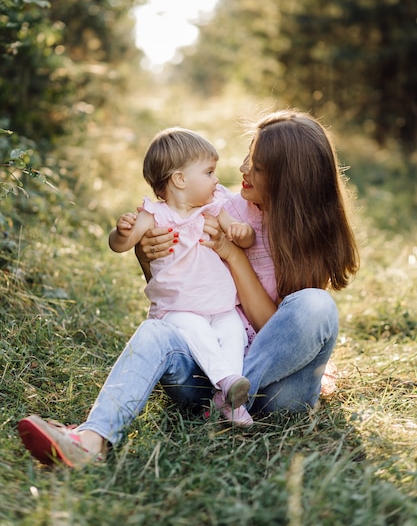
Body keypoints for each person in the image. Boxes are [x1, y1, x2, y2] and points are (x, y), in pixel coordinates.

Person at [18, 109, 359, 469]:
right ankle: (90, 440)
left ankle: (231, 396)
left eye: (256, 165)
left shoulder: (311, 232)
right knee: (156, 331)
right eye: (248, 155)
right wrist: (146, 253)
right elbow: (180, 289)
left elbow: (276, 331)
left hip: (276, 390)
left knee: (317, 306)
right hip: (205, 368)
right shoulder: (222, 207)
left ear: (287, 178)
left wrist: (232, 254)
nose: (242, 168)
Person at [109, 127, 255, 426]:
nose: (216, 179)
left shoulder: (213, 208)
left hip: (221, 305)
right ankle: (227, 383)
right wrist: (120, 232)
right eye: (209, 171)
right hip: (179, 308)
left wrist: (243, 232)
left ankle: (226, 401)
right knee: (196, 332)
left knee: (234, 334)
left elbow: (242, 236)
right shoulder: (155, 215)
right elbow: (121, 245)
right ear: (180, 179)